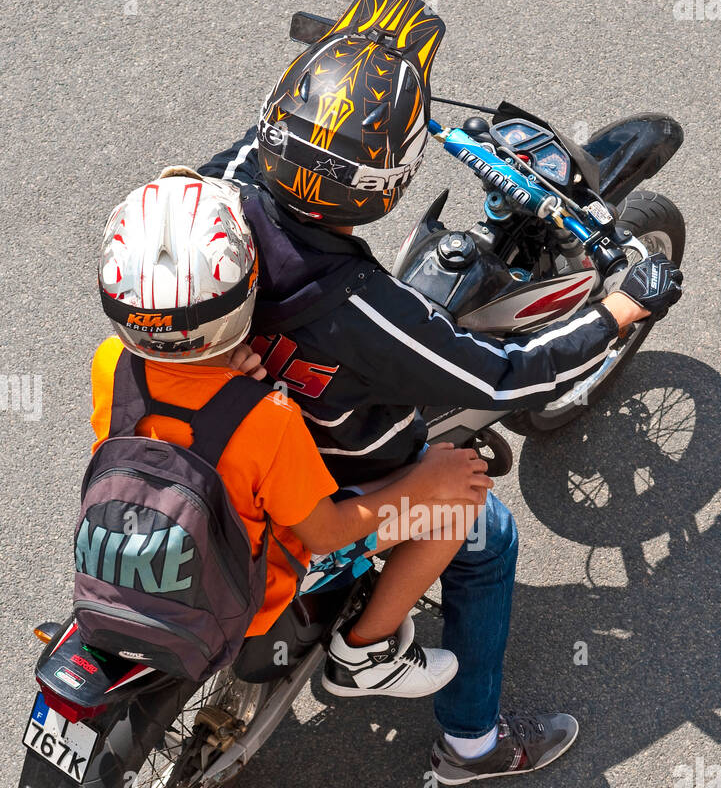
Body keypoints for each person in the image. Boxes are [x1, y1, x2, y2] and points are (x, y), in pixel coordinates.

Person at [199, 0, 684, 784]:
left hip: (215, 424)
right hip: (334, 477)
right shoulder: (361, 311)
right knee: (484, 526)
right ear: (383, 184)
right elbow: (503, 372)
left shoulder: (220, 193)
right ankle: (464, 737)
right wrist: (622, 307)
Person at [93, 166, 493, 698]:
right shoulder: (266, 418)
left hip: (148, 548)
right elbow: (325, 532)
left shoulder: (110, 361)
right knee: (458, 505)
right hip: (257, 588)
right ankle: (366, 654)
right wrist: (427, 483)